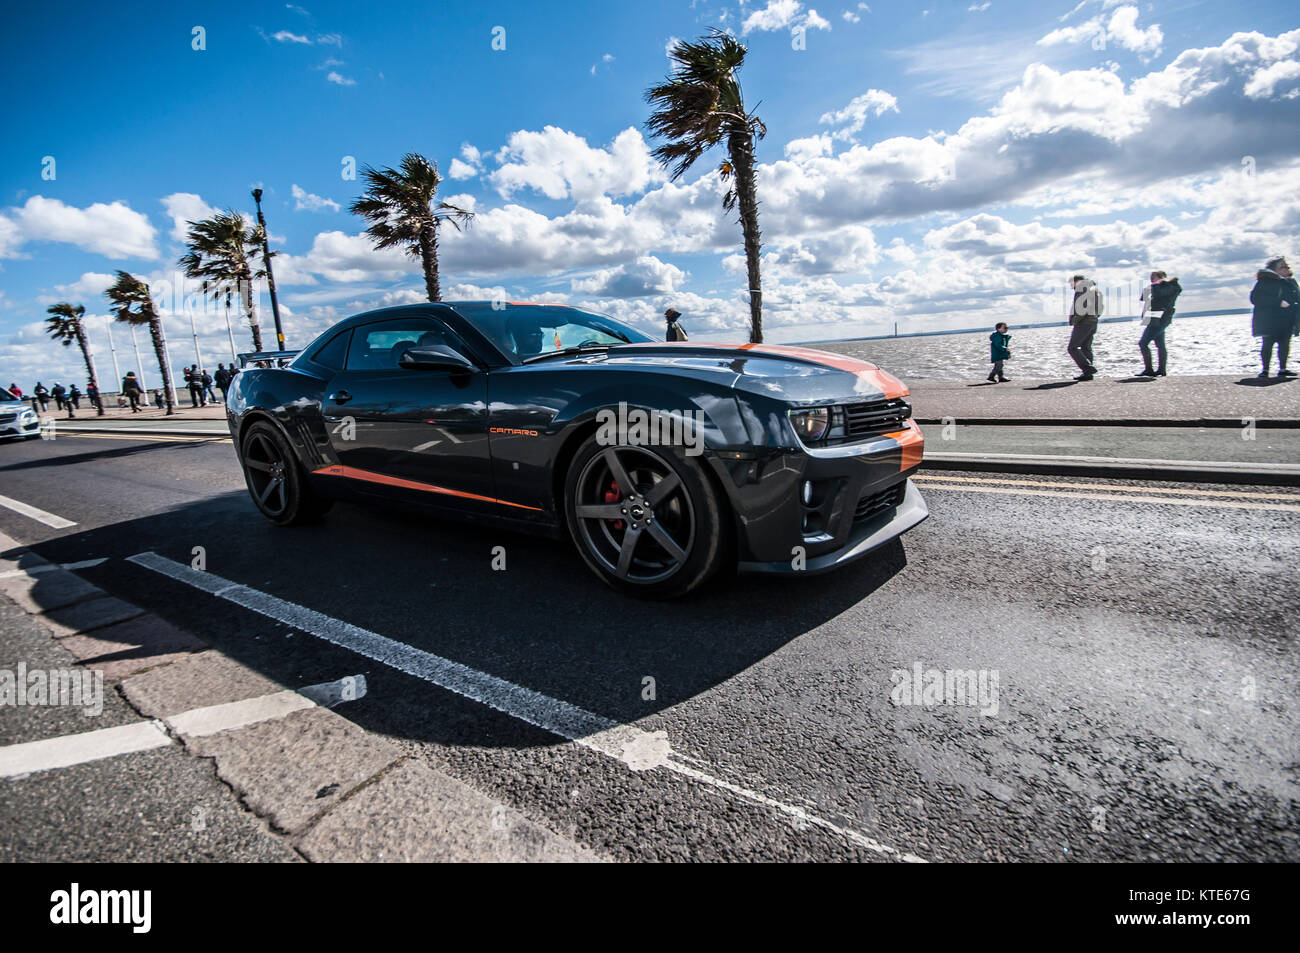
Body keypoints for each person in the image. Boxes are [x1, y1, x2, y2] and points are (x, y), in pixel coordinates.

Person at [1251, 257, 1298, 378]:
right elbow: (1255, 298)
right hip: (1269, 320)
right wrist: (1278, 302)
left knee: (1285, 344)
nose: (1288, 269)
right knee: (1268, 344)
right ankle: (1265, 370)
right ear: (1276, 269)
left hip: (1287, 319)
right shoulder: (1265, 281)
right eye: (1284, 267)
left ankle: (1283, 369)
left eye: (1288, 267)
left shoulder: (1290, 281)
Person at [1137, 270, 1181, 377]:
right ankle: (1161, 370)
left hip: (1159, 318)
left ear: (1162, 277)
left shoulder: (1169, 286)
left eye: (1154, 277)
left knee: (1143, 343)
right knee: (1160, 344)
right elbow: (1144, 298)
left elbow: (1161, 294)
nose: (1152, 279)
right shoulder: (1158, 287)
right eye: (1151, 277)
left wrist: (1155, 286)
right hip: (1154, 317)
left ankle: (1149, 369)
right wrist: (1149, 288)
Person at [1067, 275, 1103, 380]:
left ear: (1077, 281)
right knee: (1085, 347)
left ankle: (1087, 368)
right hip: (1093, 322)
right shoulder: (1095, 289)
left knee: (1072, 348)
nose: (1071, 287)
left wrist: (1075, 320)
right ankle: (1088, 373)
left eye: (1071, 284)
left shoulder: (1082, 289)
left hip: (1083, 322)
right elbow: (1101, 307)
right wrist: (1095, 317)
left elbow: (1082, 307)